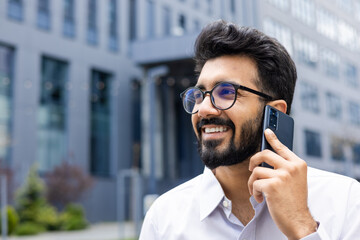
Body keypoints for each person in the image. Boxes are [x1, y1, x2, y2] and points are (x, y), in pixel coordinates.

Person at [139, 20, 360, 239]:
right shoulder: (163, 219)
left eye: (226, 92)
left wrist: (302, 228)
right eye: (199, 95)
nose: (204, 109)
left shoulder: (346, 202)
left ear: (275, 112)